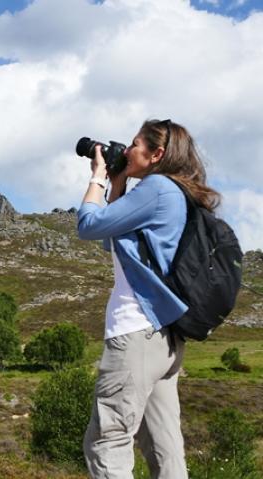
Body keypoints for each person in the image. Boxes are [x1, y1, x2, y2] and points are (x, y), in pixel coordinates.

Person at [76, 119, 220, 479]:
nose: (126, 150)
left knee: (107, 440)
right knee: (164, 448)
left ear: (157, 154)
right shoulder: (174, 192)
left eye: (135, 144)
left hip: (136, 332)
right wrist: (119, 183)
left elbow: (89, 226)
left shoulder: (156, 188)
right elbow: (113, 238)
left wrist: (97, 176)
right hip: (163, 339)